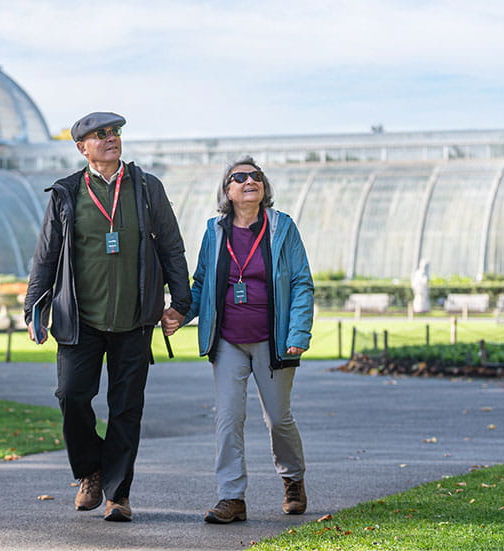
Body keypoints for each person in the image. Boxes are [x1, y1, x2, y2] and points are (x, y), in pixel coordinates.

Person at [24, 112, 191, 522]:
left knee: (126, 407)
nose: (111, 139)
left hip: (134, 320)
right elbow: (45, 255)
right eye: (100, 135)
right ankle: (90, 471)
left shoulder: (148, 188)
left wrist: (181, 304)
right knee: (71, 396)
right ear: (82, 147)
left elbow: (172, 248)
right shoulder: (67, 193)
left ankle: (118, 493)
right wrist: (33, 308)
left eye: (115, 132)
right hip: (80, 321)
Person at [163, 157, 314, 524]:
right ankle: (232, 498)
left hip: (273, 341)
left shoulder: (283, 228)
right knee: (228, 419)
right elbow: (201, 283)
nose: (250, 181)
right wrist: (182, 313)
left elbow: (300, 283)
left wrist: (298, 332)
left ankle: (292, 479)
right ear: (227, 191)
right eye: (240, 177)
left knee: (278, 419)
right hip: (228, 339)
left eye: (256, 176)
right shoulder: (214, 231)